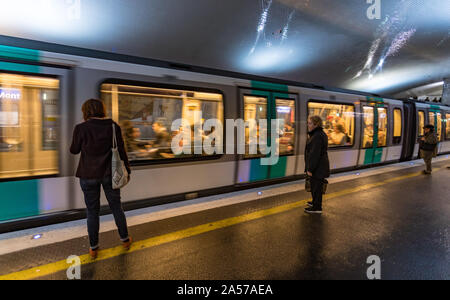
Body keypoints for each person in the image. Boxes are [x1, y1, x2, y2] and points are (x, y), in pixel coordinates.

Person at [70, 99, 132, 259]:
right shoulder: (113, 126)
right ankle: (125, 240)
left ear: (85, 112)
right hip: (109, 175)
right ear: (102, 110)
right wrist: (127, 169)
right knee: (116, 207)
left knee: (92, 212)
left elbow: (74, 150)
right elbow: (121, 150)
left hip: (87, 175)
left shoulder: (80, 128)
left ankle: (93, 248)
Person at [304, 116, 331, 214]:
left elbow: (314, 154)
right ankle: (315, 202)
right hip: (319, 167)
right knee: (315, 186)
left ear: (316, 124)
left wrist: (310, 169)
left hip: (318, 168)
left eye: (310, 123)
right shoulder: (318, 134)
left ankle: (317, 207)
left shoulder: (317, 136)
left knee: (316, 187)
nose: (308, 125)